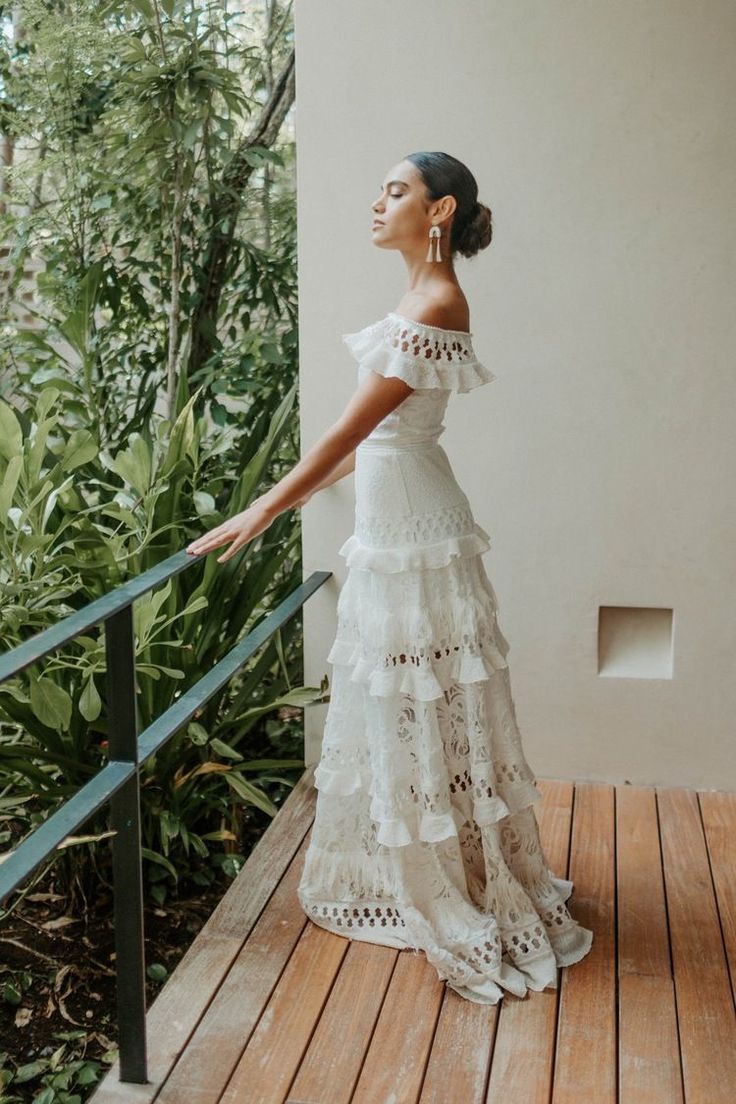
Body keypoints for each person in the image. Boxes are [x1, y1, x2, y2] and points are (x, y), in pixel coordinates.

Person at [187, 151, 594, 1004]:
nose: (377, 202)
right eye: (381, 189)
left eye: (397, 191)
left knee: (428, 695)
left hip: (415, 530)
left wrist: (260, 510)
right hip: (395, 519)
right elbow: (364, 444)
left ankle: (462, 884)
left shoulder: (437, 299)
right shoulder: (414, 299)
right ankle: (427, 866)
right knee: (404, 701)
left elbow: (345, 434)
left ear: (439, 210)